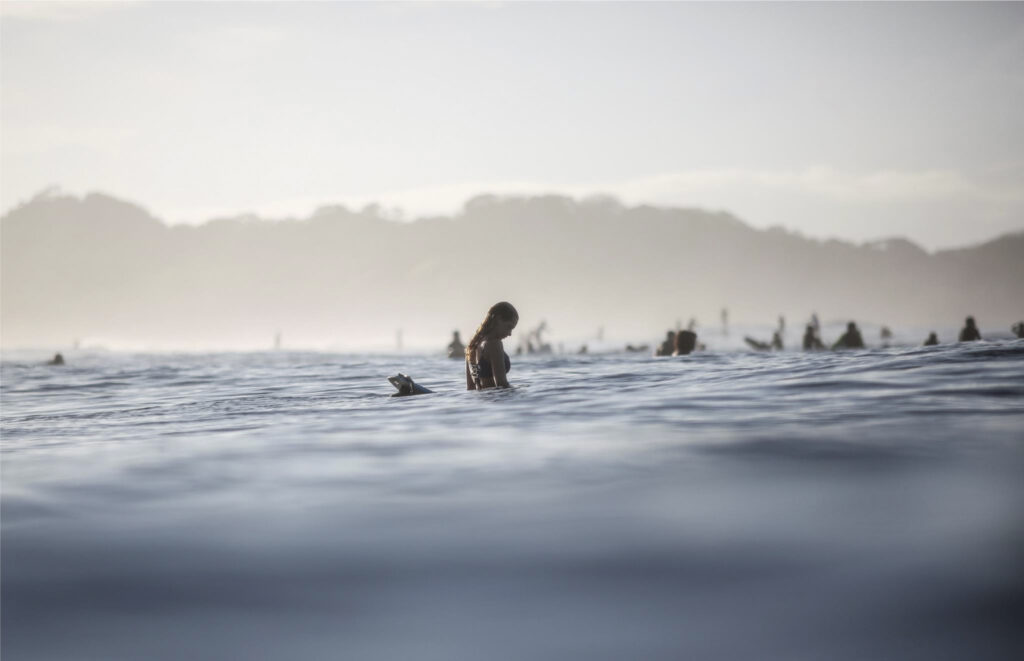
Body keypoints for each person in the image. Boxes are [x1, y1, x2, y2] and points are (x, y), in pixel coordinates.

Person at [465, 302, 518, 390]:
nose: (510, 334)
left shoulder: (473, 345)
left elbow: (471, 387)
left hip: (483, 401)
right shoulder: (494, 344)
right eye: (509, 327)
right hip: (497, 401)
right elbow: (501, 384)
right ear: (498, 319)